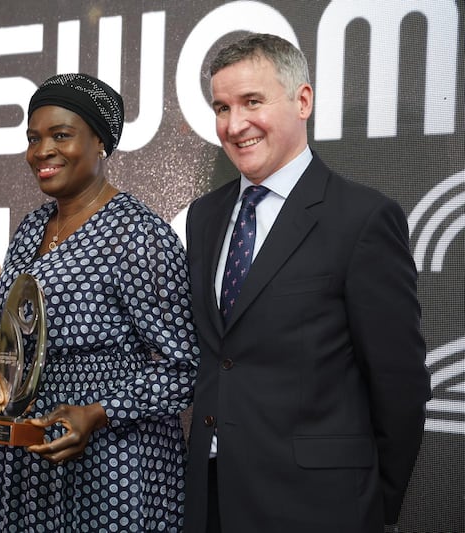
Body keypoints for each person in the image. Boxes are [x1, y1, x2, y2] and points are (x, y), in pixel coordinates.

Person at [183, 33, 431, 532]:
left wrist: (369, 505)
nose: (234, 125)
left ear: (303, 100)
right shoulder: (204, 218)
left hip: (319, 507)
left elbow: (399, 384)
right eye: (222, 107)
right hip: (210, 500)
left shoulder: (362, 219)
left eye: (253, 102)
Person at [0, 73, 200, 532]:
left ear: (100, 143)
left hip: (116, 465)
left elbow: (184, 366)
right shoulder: (31, 230)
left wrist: (97, 413)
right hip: (31, 461)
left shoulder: (139, 234)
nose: (42, 151)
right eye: (34, 138)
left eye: (61, 135)